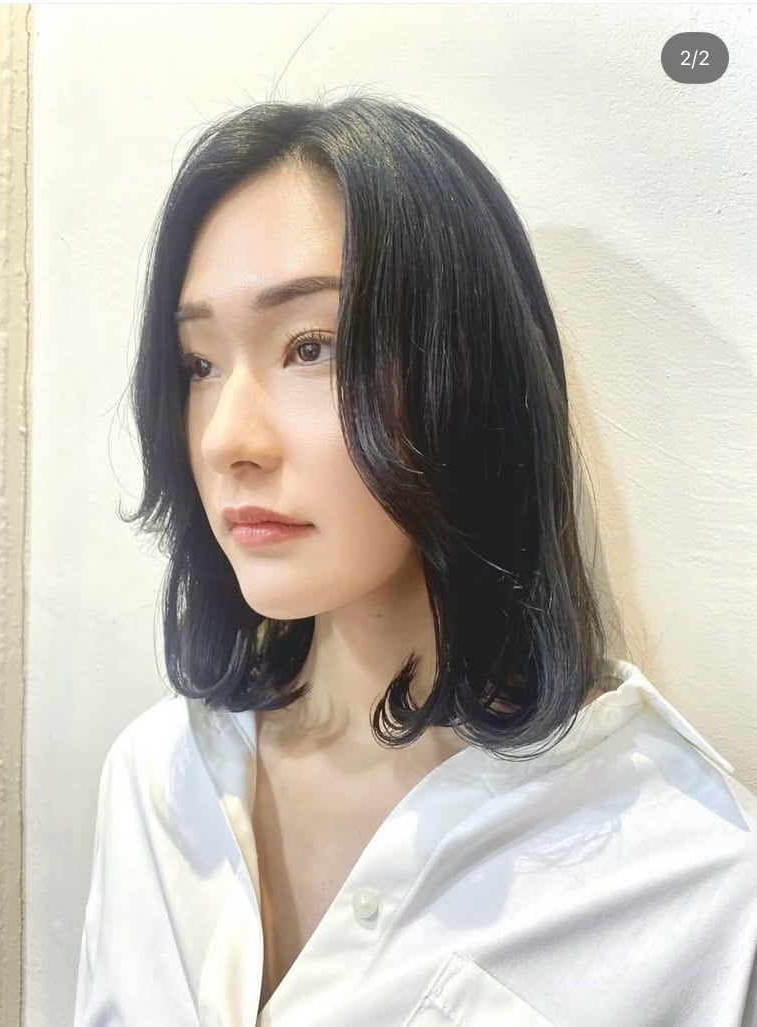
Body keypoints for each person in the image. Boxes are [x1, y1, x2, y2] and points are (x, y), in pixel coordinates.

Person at [73, 93, 757, 1026]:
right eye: (199, 364)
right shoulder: (159, 780)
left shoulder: (691, 877)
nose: (228, 438)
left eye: (311, 347)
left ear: (467, 373)